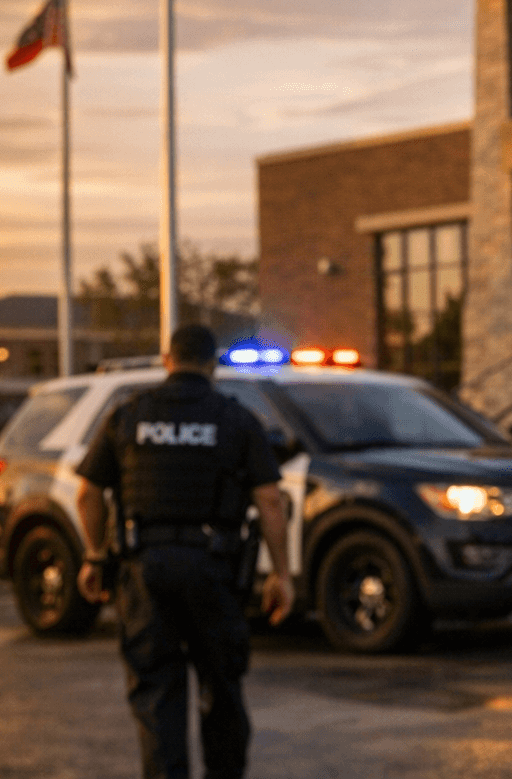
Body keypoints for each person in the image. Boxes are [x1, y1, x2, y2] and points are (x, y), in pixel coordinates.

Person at [74, 324, 293, 779]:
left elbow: (87, 494)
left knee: (157, 696)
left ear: (167, 360)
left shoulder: (128, 415)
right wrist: (282, 575)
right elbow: (270, 501)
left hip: (144, 571)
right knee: (222, 689)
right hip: (213, 572)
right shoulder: (236, 420)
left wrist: (96, 555)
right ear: (212, 365)